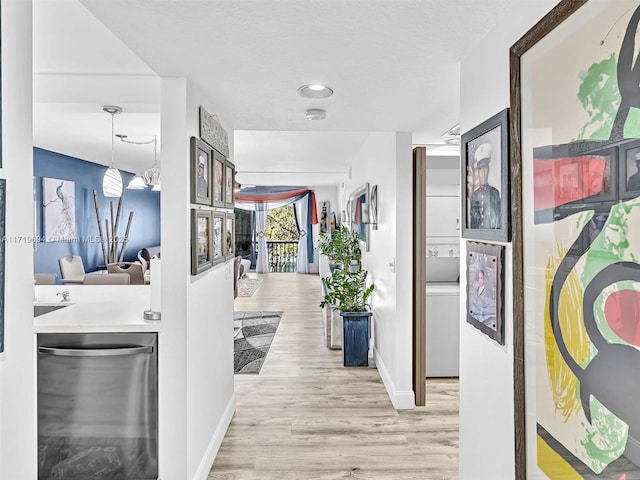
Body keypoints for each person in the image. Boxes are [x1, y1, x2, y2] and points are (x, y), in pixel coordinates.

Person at [469, 143, 501, 229]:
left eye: (485, 169)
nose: (483, 173)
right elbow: (473, 222)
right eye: (480, 170)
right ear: (478, 172)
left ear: (488, 170)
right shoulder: (474, 195)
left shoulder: (494, 194)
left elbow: (498, 221)